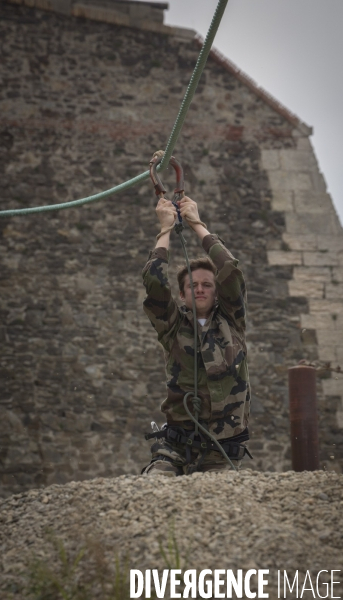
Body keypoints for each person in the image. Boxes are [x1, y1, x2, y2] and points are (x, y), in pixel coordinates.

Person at [141, 195, 251, 476]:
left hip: (222, 452)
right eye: (192, 285)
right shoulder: (172, 326)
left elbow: (230, 270)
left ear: (217, 292)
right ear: (182, 294)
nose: (200, 289)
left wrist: (196, 224)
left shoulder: (233, 322)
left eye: (207, 284)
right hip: (176, 449)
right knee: (152, 489)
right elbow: (154, 281)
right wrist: (165, 229)